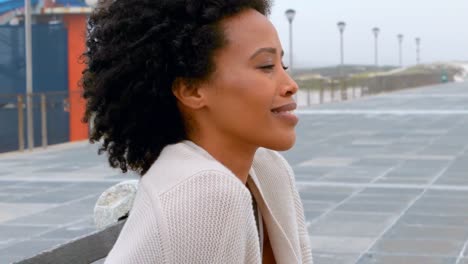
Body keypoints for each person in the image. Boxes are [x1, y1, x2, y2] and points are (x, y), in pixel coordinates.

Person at [81, 0, 313, 263]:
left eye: (283, 65)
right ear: (191, 90)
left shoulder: (268, 170)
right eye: (266, 66)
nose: (290, 85)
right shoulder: (205, 195)